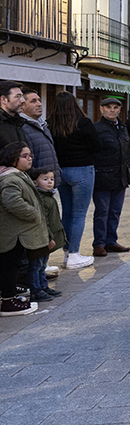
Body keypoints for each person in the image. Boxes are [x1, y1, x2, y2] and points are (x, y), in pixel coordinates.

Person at [49, 92, 100, 269]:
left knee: (68, 212)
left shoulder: (50, 124)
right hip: (82, 169)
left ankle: (66, 252)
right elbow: (97, 146)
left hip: (61, 171)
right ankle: (74, 254)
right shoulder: (83, 123)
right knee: (79, 214)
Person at [0, 143, 47, 316]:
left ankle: (9, 295)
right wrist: (33, 213)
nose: (29, 158)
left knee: (12, 264)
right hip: (13, 234)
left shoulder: (18, 176)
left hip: (17, 233)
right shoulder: (10, 179)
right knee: (10, 265)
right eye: (24, 156)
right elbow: (12, 201)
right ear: (13, 158)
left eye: (30, 155)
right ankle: (7, 301)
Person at [92, 97, 130, 258]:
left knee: (115, 211)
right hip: (102, 176)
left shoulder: (122, 127)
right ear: (101, 109)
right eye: (108, 107)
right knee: (102, 211)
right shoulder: (97, 128)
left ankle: (111, 241)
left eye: (116, 107)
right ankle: (99, 244)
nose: (112, 110)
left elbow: (125, 149)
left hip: (120, 176)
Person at [28, 167, 63, 301]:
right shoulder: (41, 199)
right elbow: (43, 221)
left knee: (42, 265)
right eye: (45, 179)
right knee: (36, 265)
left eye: (52, 179)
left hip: (47, 237)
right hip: (41, 238)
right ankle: (36, 290)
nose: (49, 182)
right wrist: (49, 237)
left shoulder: (48, 196)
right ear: (35, 182)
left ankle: (43, 287)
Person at [20, 89, 61, 188]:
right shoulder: (22, 127)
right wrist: (35, 178)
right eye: (33, 101)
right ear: (22, 105)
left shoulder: (43, 125)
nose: (39, 104)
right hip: (37, 184)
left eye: (39, 100)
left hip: (49, 182)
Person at [0, 81, 27, 150]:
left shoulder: (18, 123)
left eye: (22, 96)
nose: (23, 100)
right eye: (18, 96)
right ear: (4, 100)